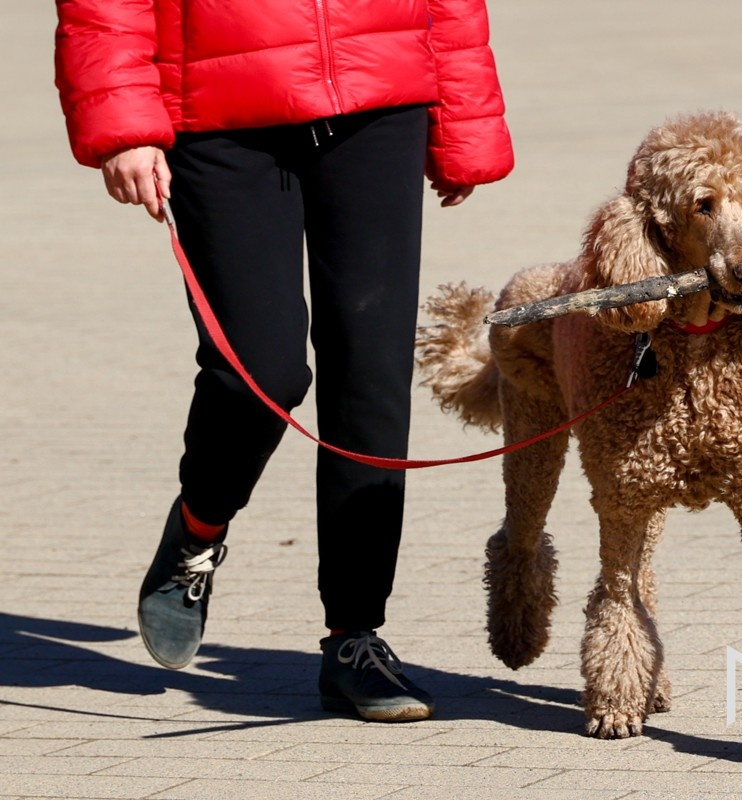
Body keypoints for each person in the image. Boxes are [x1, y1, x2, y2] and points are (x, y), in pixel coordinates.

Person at [53, 0, 514, 722]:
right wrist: (125, 124)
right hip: (217, 108)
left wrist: (464, 120)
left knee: (371, 376)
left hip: (378, 94)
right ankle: (198, 529)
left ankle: (355, 636)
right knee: (259, 372)